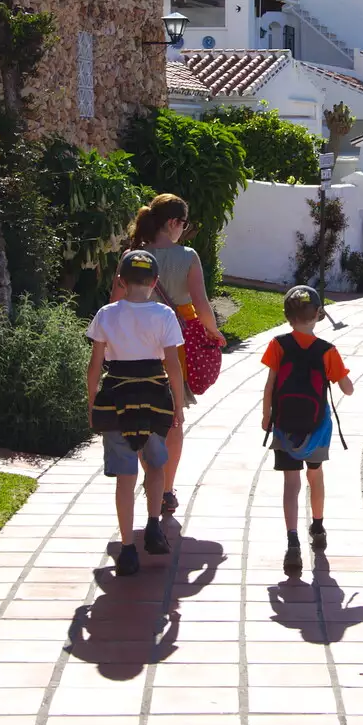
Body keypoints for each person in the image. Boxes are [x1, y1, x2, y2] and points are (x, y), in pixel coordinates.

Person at [119, 194, 224, 518]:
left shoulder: (133, 256)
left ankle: (152, 476)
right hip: (174, 345)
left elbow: (114, 303)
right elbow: (201, 304)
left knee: (139, 414)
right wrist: (214, 332)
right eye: (184, 224)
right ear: (173, 223)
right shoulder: (188, 256)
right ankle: (165, 488)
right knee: (173, 415)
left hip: (136, 342)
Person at [87, 250, 187, 576]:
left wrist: (92, 404)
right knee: (156, 464)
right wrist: (177, 403)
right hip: (155, 398)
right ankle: (154, 524)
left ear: (120, 280)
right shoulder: (164, 316)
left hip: (117, 397)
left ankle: (128, 547)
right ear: (155, 283)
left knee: (125, 477)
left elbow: (94, 365)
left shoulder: (106, 314)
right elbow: (172, 363)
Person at [260, 285, 353, 575]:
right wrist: (345, 380)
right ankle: (318, 526)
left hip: (284, 426)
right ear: (319, 315)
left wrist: (267, 417)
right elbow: (347, 390)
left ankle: (292, 543)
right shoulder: (327, 351)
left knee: (291, 484)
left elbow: (270, 384)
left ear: (288, 316)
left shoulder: (278, 344)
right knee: (316, 476)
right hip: (317, 429)